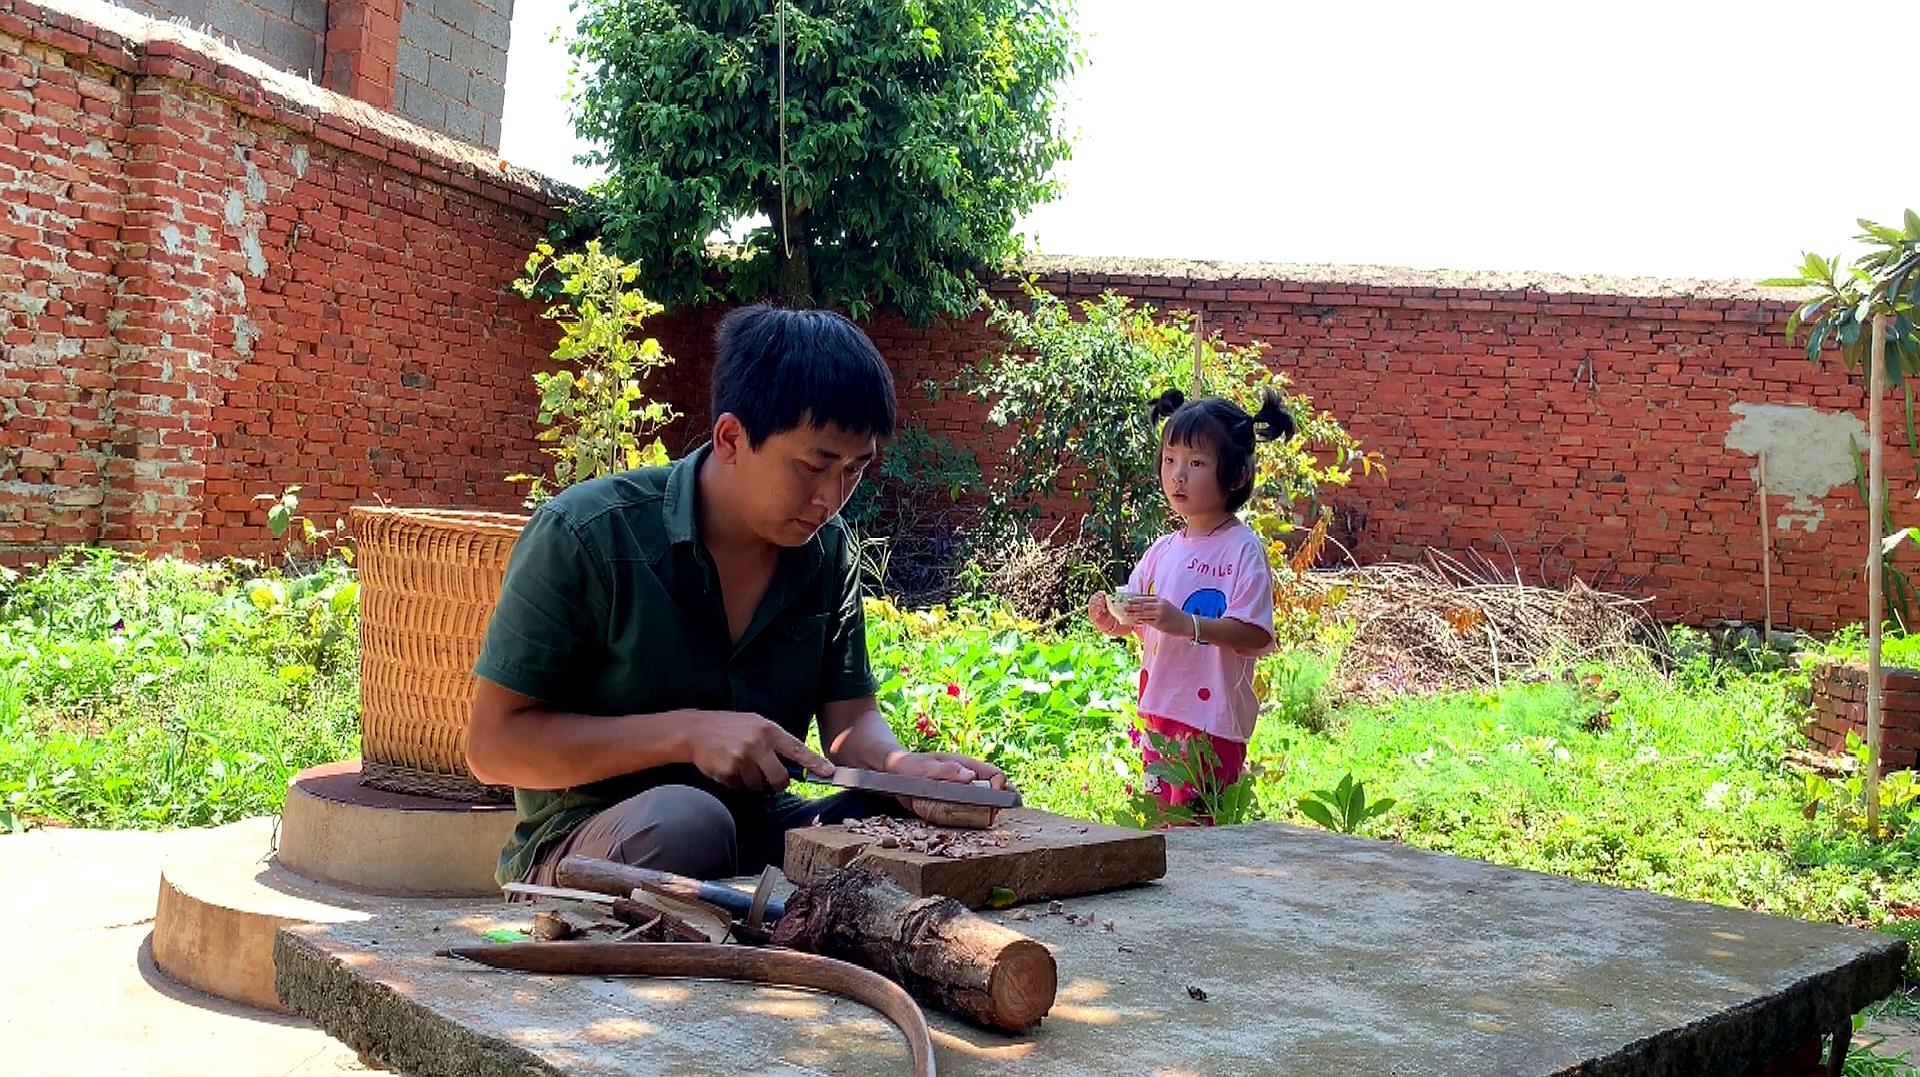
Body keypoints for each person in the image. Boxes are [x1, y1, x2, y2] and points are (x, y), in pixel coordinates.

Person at [467, 304, 1006, 885]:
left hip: (760, 831)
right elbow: (494, 746)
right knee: (685, 822)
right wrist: (690, 733)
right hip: (596, 843)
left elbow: (850, 725)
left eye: (854, 470)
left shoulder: (825, 552)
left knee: (894, 820)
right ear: (731, 438)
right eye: (812, 465)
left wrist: (904, 772)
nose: (831, 498)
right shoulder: (587, 535)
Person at [1087, 387, 1294, 818]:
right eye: (1170, 460)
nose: (1178, 475)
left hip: (1213, 724)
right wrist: (1110, 617)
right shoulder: (1162, 550)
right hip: (1159, 714)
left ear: (1235, 476)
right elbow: (1136, 619)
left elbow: (1255, 632)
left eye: (1196, 463)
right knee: (1163, 828)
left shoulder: (1242, 549)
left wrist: (1187, 624)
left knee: (1203, 832)